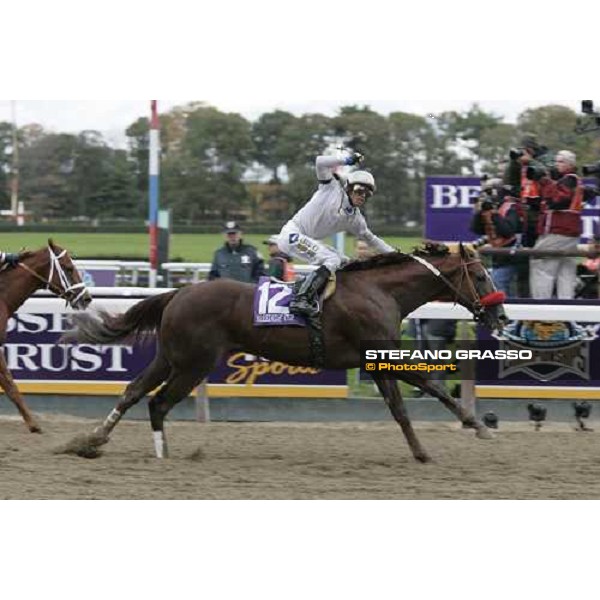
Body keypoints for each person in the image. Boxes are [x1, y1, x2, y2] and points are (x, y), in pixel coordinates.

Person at [277, 152, 395, 317]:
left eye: (367, 194)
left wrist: (396, 255)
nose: (362, 196)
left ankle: (334, 303)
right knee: (332, 259)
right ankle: (301, 298)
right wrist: (346, 160)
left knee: (345, 262)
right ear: (348, 187)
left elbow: (372, 240)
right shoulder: (330, 187)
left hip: (306, 240)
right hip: (291, 235)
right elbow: (320, 162)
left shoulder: (356, 219)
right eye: (360, 190)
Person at [530, 150, 583, 299]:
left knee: (541, 265)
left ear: (570, 164)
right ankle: (567, 313)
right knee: (565, 273)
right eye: (556, 161)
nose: (556, 164)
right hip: (569, 233)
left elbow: (557, 201)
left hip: (559, 231)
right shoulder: (571, 180)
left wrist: (545, 181)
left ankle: (540, 311)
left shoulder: (569, 179)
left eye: (561, 161)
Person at [470, 177, 525, 297]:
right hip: (499, 258)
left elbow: (508, 231)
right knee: (501, 287)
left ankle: (506, 314)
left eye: (489, 191)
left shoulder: (511, 207)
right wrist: (479, 212)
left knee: (499, 283)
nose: (487, 195)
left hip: (514, 257)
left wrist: (494, 214)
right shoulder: (489, 210)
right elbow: (475, 229)